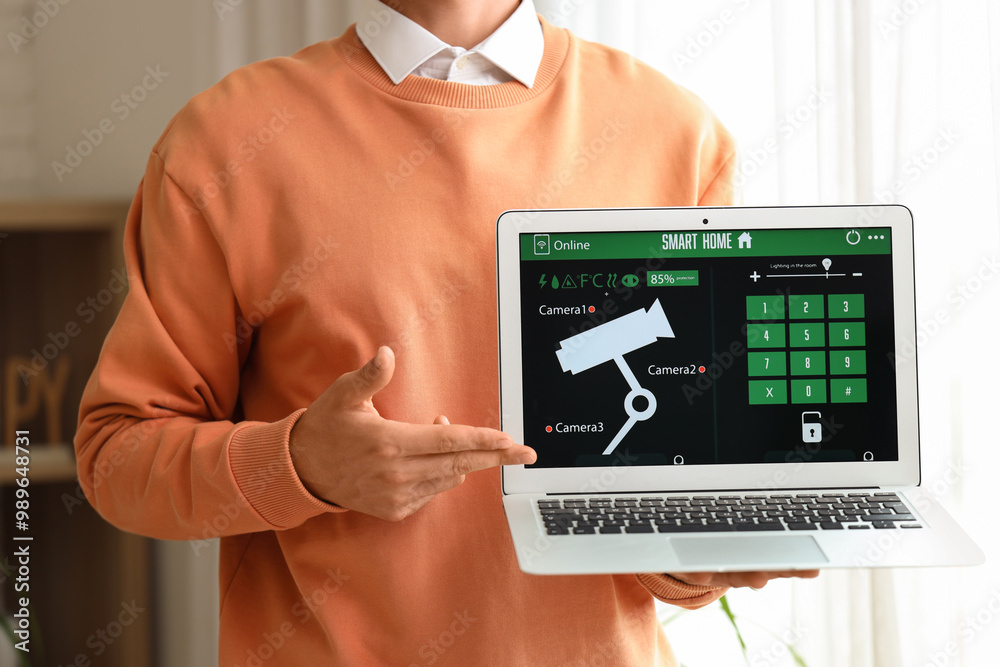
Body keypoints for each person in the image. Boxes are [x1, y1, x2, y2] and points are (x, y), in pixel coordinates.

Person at [74, 1, 818, 664]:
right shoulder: (223, 141)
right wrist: (297, 463)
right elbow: (117, 455)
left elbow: (676, 507)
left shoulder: (676, 133)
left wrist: (700, 558)